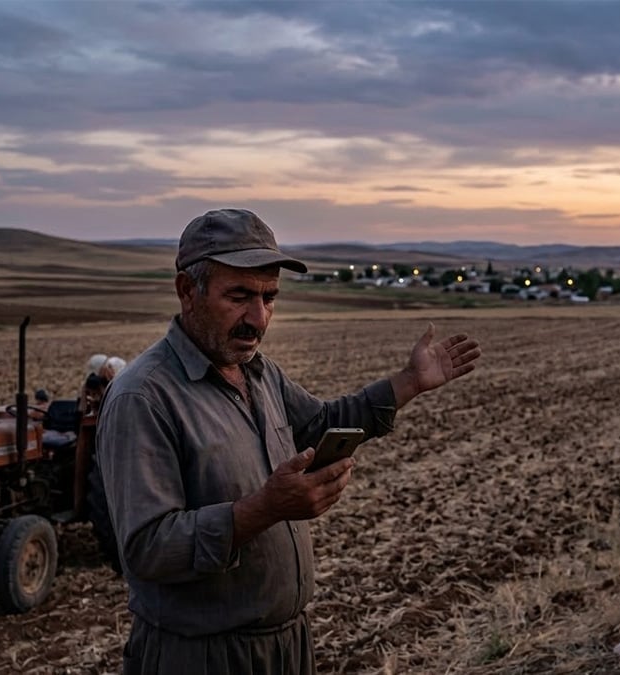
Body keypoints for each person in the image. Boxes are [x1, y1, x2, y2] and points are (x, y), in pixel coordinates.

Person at [96, 208, 481, 673]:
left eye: (269, 297)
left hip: (287, 647)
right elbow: (148, 548)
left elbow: (322, 424)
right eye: (239, 296)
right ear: (187, 291)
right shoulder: (144, 396)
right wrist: (266, 507)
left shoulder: (258, 373)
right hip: (202, 657)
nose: (258, 318)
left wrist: (409, 382)